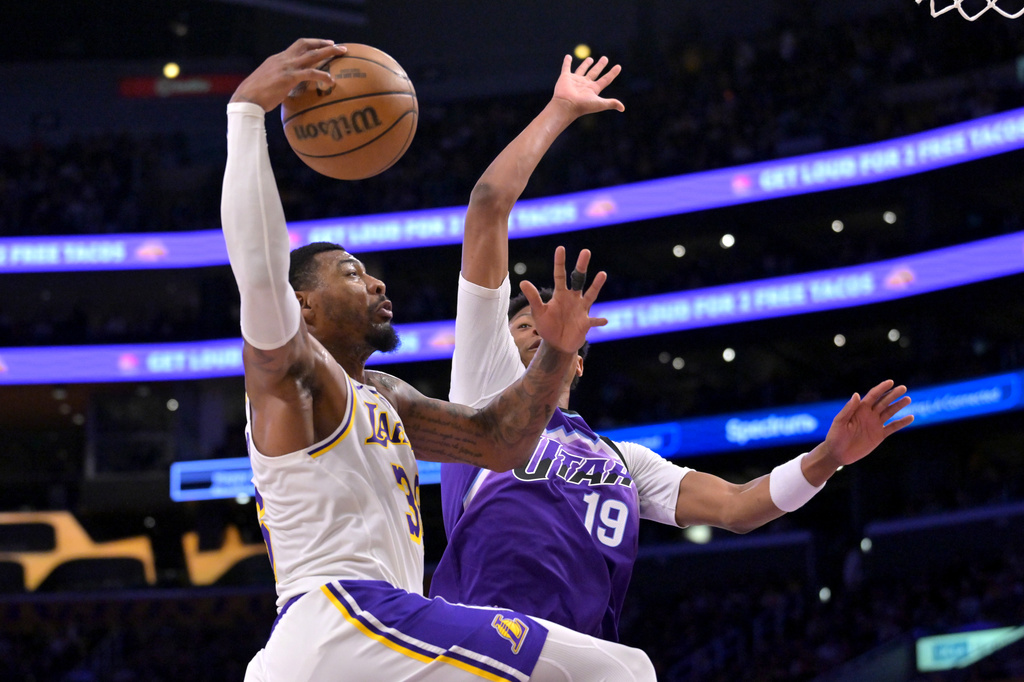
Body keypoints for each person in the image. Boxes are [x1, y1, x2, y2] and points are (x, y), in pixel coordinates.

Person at [428, 54, 916, 642]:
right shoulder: (482, 393)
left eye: (552, 324)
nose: (537, 326)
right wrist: (559, 111)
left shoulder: (623, 463)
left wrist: (827, 459)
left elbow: (738, 509)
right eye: (525, 322)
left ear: (580, 359)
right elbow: (487, 207)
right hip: (479, 648)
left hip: (580, 662)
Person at [222, 39, 659, 682]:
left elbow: (499, 441)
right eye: (351, 273)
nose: (374, 284)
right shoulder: (295, 377)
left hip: (336, 649)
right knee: (620, 673)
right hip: (346, 619)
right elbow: (260, 275)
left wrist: (556, 353)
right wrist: (245, 115)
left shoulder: (387, 398)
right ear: (304, 307)